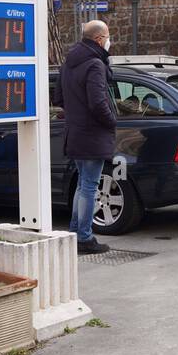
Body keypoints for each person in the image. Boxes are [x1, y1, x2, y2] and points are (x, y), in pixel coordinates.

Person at [51, 19, 116, 254]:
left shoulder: (69, 63)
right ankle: (85, 237)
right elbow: (98, 102)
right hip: (92, 134)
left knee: (83, 184)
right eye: (108, 36)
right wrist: (112, 121)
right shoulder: (95, 65)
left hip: (75, 132)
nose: (110, 41)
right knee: (89, 186)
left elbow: (58, 98)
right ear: (99, 39)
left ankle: (75, 232)